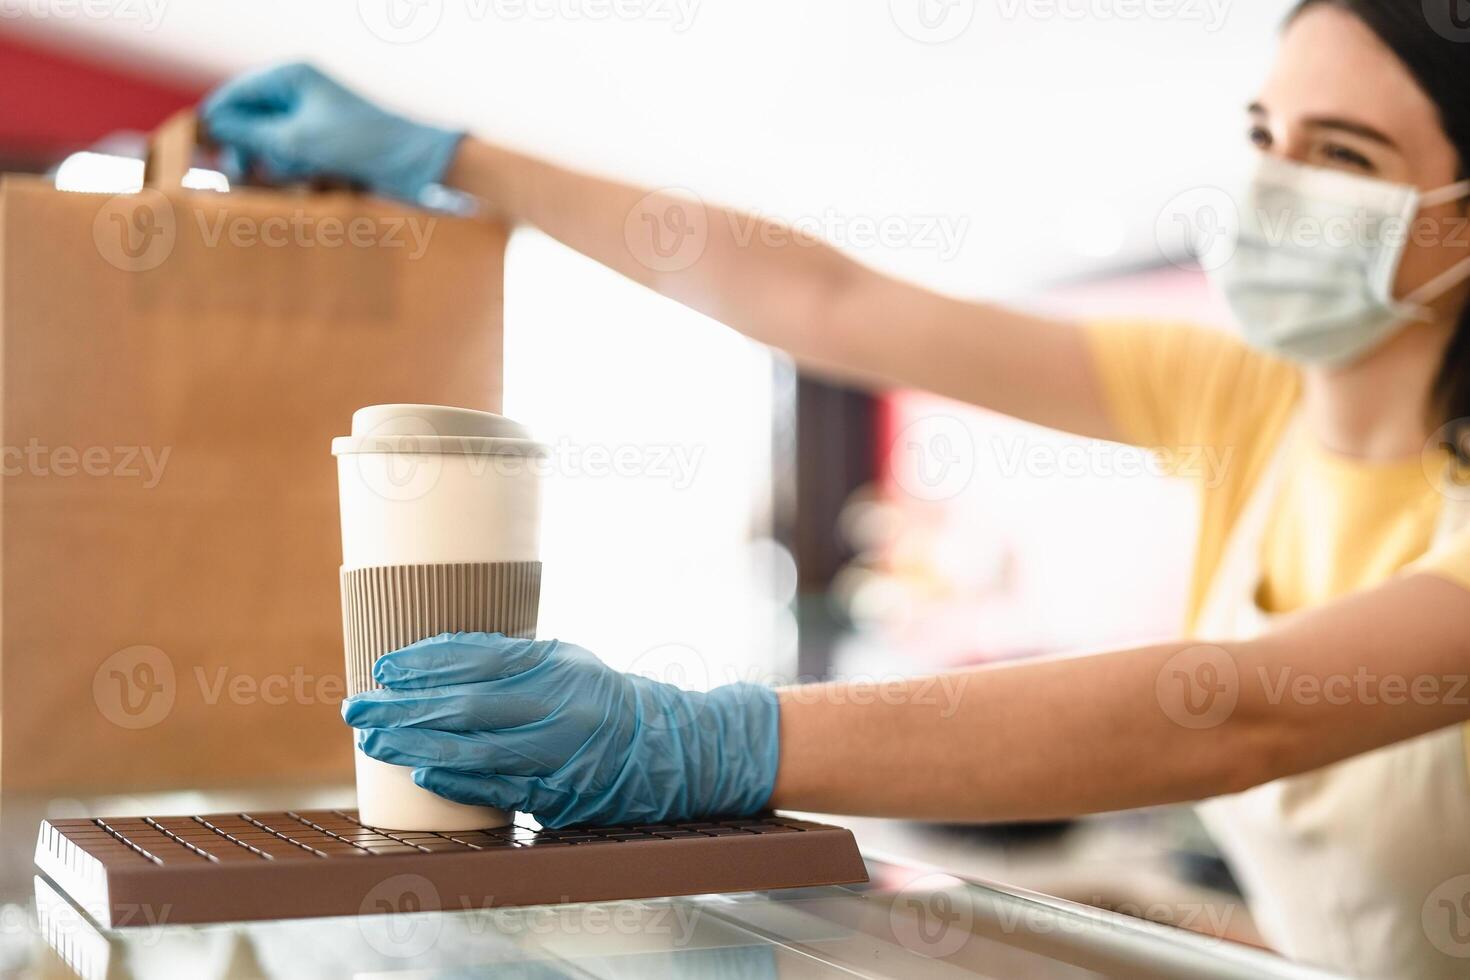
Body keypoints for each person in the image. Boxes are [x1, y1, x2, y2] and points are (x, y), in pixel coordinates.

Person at [204, 2, 1470, 975]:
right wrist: (460, 158)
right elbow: (831, 302)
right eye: (1264, 136)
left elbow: (1240, 711)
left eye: (1344, 155)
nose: (1275, 183)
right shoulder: (1246, 399)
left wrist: (702, 740)